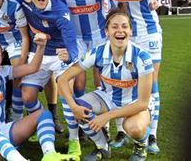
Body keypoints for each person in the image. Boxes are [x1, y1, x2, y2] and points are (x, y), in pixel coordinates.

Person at [86, 0, 191, 153]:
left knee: (151, 83)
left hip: (147, 33)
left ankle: (151, 135)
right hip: (120, 32)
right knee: (116, 81)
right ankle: (121, 131)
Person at [0, 37, 78, 161]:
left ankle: (50, 154)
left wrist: (41, 47)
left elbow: (33, 68)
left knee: (44, 114)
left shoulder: (2, 72)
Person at [57, 8, 154, 161]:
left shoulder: (142, 57)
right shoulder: (97, 52)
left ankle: (141, 145)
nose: (120, 30)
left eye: (124, 26)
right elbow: (62, 79)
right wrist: (74, 107)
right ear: (106, 32)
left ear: (130, 30)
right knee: (81, 108)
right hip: (108, 97)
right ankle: (103, 147)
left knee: (133, 128)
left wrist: (106, 117)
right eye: (114, 27)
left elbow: (142, 103)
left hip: (134, 103)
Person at [53, 0, 107, 155]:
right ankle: (76, 135)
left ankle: (109, 128)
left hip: (100, 36)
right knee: (76, 81)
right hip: (75, 40)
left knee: (103, 80)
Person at [12, 0, 80, 138]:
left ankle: (74, 140)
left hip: (59, 56)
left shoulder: (59, 10)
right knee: (27, 96)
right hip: (38, 53)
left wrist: (69, 55)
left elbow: (71, 39)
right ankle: (44, 120)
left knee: (67, 93)